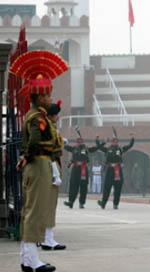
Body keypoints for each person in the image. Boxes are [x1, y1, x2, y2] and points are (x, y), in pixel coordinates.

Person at [11, 50, 68, 272]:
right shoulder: (37, 118)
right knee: (34, 212)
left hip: (40, 164)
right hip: (39, 164)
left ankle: (27, 258)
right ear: (40, 97)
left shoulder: (38, 116)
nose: (50, 99)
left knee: (31, 211)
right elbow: (34, 141)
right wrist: (27, 155)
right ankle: (33, 261)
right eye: (48, 96)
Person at [40, 100, 66, 251]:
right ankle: (47, 239)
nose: (58, 118)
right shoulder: (48, 128)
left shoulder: (50, 127)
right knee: (49, 205)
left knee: (50, 205)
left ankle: (48, 238)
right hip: (50, 168)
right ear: (52, 116)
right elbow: (53, 148)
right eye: (57, 115)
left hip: (51, 167)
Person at [97, 133, 134, 209]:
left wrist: (132, 138)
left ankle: (115, 204)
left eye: (116, 141)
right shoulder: (108, 149)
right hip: (109, 170)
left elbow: (129, 146)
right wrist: (98, 140)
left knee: (118, 188)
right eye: (113, 141)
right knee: (107, 187)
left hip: (118, 170)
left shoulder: (120, 149)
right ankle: (103, 203)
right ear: (112, 142)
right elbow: (99, 147)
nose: (115, 142)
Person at [63, 135, 98, 209]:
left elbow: (94, 149)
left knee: (83, 186)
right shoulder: (74, 149)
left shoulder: (86, 149)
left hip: (83, 169)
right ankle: (71, 202)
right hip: (75, 168)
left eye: (81, 141)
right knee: (73, 185)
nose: (79, 142)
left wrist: (98, 142)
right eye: (78, 141)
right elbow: (66, 147)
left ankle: (81, 203)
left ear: (83, 142)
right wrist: (63, 142)